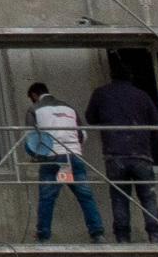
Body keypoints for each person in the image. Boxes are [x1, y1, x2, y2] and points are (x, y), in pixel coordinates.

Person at [85, 69, 158, 243]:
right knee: (148, 196)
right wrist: (147, 146)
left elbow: (90, 118)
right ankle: (155, 236)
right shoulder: (142, 96)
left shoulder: (101, 93)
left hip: (115, 154)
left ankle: (122, 238)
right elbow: (156, 125)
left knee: (119, 197)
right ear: (131, 78)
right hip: (141, 154)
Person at [24, 83, 103, 243]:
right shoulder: (69, 108)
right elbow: (82, 134)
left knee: (47, 197)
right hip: (72, 157)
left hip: (52, 159)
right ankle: (97, 233)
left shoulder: (35, 109)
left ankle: (43, 236)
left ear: (33, 95)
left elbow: (31, 138)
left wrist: (35, 156)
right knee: (84, 195)